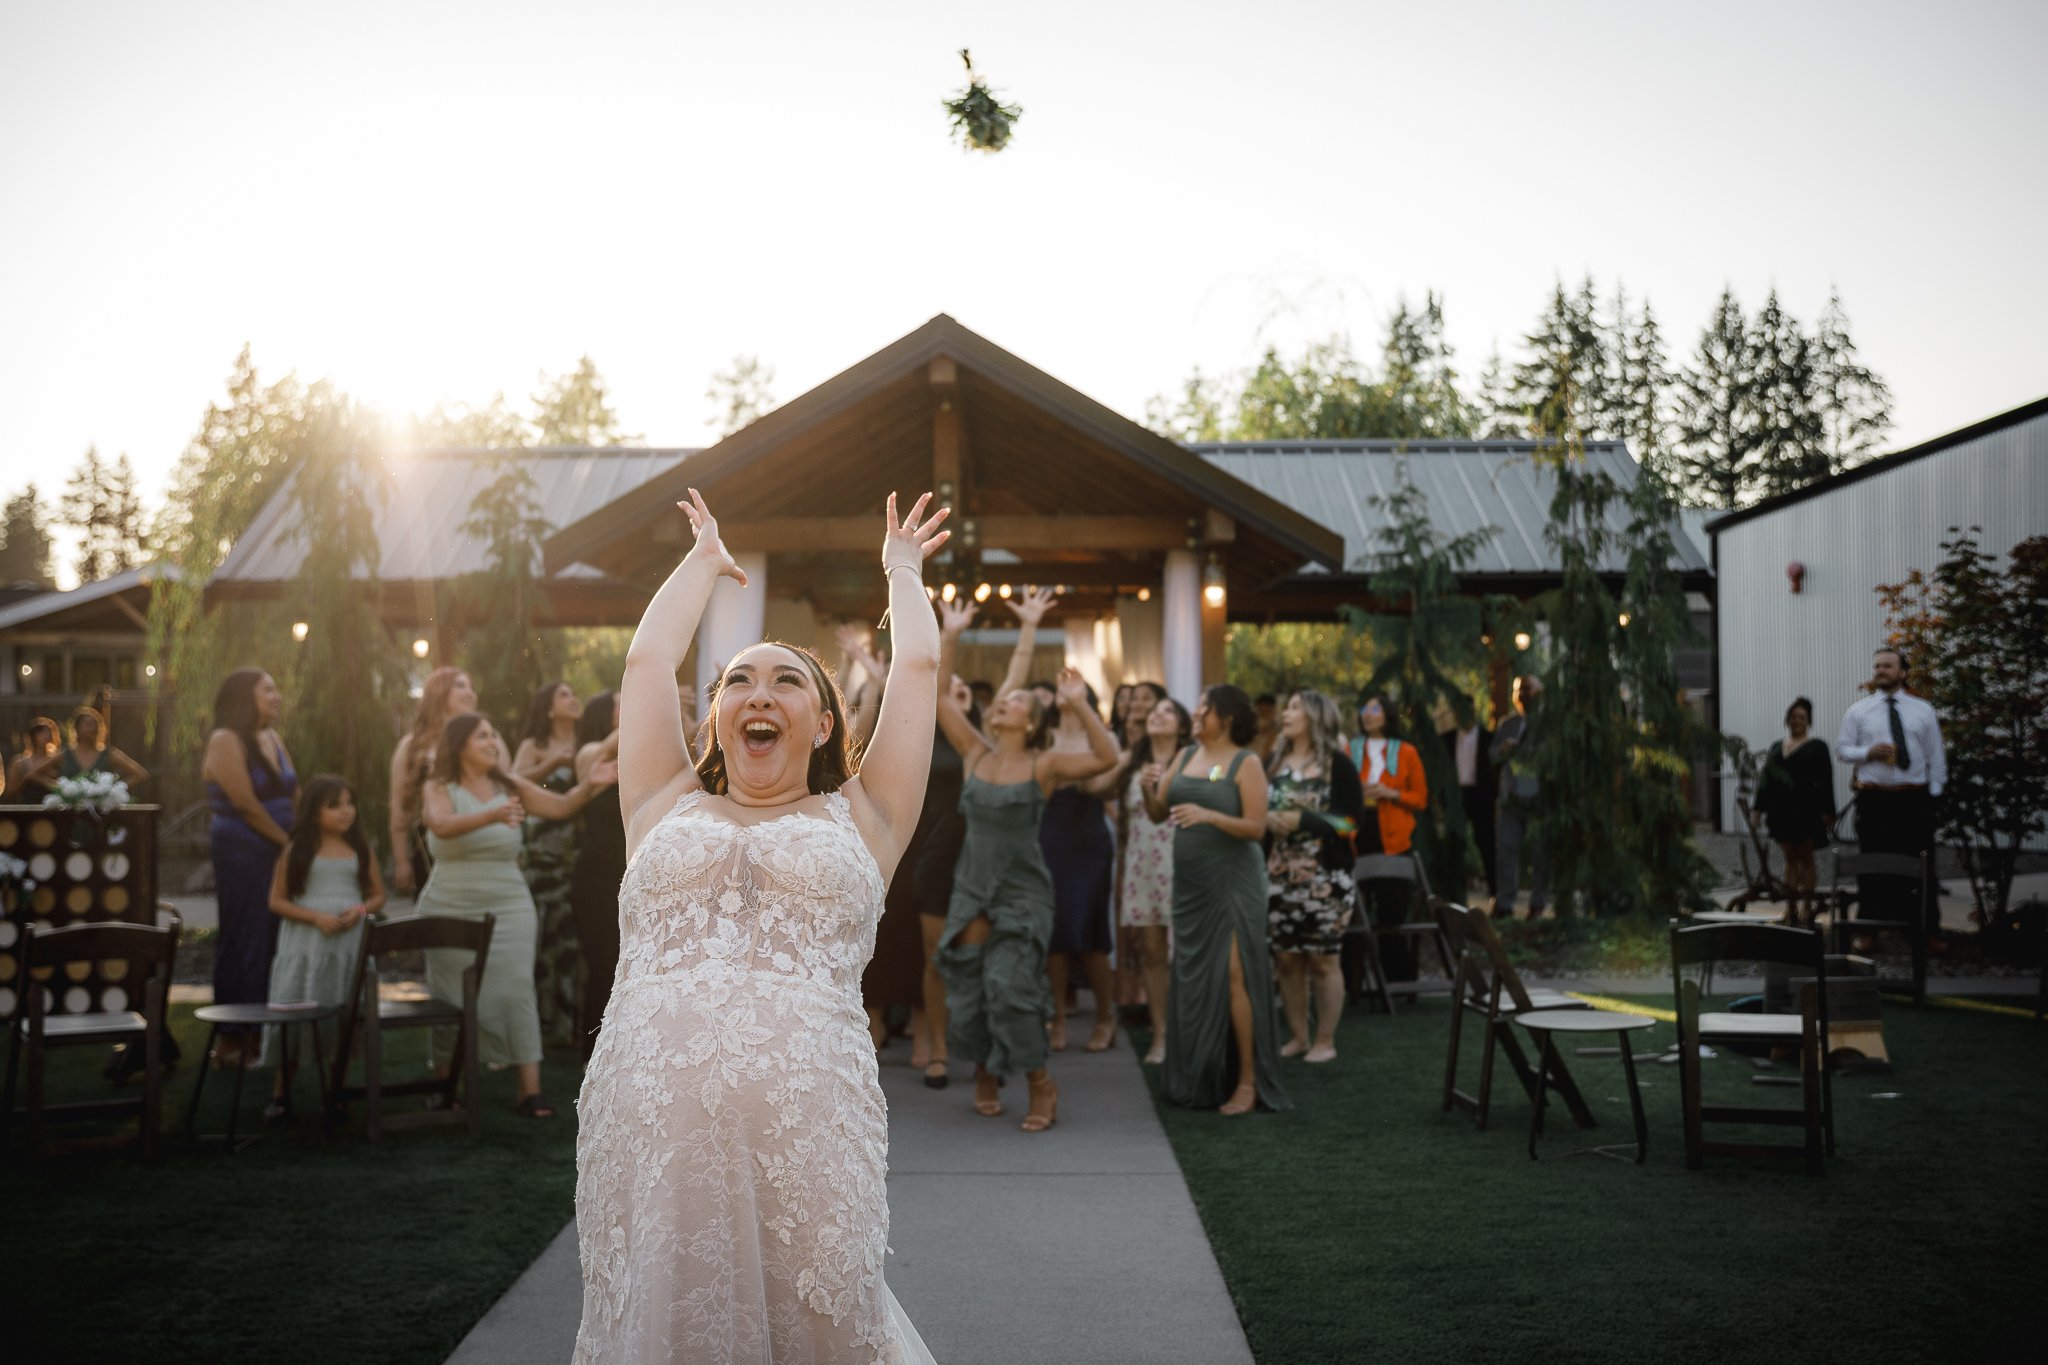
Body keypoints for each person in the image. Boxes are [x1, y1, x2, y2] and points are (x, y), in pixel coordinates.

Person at [573, 489, 947, 1363]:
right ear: (716, 718)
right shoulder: (661, 800)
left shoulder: (867, 816)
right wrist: (702, 561)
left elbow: (919, 674)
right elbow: (643, 665)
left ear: (821, 723)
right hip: (648, 1115)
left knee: (820, 1315)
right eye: (738, 679)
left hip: (809, 1118)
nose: (758, 692)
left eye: (787, 680)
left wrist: (902, 571)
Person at [933, 595, 1117, 1131]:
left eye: (1016, 700)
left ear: (1032, 720)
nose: (1005, 702)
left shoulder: (1046, 763)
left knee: (1012, 986)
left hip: (1023, 890)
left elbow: (1107, 758)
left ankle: (1041, 1083)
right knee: (968, 986)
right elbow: (939, 694)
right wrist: (952, 634)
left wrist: (1078, 703)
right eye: (1005, 698)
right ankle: (986, 1071)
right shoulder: (976, 753)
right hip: (972, 885)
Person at [418, 710, 615, 1118]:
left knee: (514, 988)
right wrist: (492, 814)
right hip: (448, 903)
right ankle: (444, 1085)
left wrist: (590, 786)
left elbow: (561, 807)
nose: (492, 742)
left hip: (508, 901)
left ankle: (529, 1092)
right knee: (449, 993)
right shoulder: (439, 786)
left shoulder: (509, 785)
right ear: (459, 746)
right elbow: (440, 824)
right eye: (481, 737)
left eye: (493, 735)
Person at [903, 589, 1046, 1088]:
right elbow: (937, 693)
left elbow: (1015, 682)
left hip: (983, 865)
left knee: (988, 965)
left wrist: (1027, 628)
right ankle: (940, 1048)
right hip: (940, 856)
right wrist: (951, 635)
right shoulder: (941, 736)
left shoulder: (984, 748)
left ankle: (991, 1056)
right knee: (937, 960)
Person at [1145, 684, 1291, 1116]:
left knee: (1232, 977)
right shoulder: (1186, 756)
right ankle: (1199, 1075)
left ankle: (1247, 1081)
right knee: (1193, 976)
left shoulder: (1246, 763)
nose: (1195, 713)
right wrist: (1145, 786)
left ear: (1224, 716)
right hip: (1190, 887)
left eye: (1203, 708)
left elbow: (1256, 827)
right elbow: (1159, 813)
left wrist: (1209, 815)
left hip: (1232, 882)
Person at [261, 774, 384, 1121]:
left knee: (342, 1010)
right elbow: (277, 901)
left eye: (349, 803)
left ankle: (337, 1089)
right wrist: (315, 917)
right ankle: (281, 1092)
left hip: (347, 946)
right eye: (334, 805)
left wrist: (360, 909)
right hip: (306, 945)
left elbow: (377, 895)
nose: (346, 812)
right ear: (314, 812)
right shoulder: (296, 850)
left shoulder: (361, 850)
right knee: (297, 1008)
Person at [201, 670, 298, 1068]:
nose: (277, 696)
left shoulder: (273, 739)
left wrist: (308, 836)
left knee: (273, 935)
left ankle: (262, 1034)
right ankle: (232, 1040)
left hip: (280, 849)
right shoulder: (225, 740)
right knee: (244, 934)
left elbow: (296, 790)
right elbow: (245, 804)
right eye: (269, 689)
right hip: (244, 850)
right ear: (245, 697)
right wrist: (288, 844)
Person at [839, 623, 927, 1053]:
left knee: (904, 931)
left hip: (896, 830)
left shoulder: (908, 725)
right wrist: (857, 666)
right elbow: (848, 724)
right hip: (851, 833)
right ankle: (872, 1020)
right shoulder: (837, 737)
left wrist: (874, 675)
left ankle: (915, 1021)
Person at [1267, 690, 1365, 1063]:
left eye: (1294, 707)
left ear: (1315, 717)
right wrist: (1264, 819)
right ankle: (1298, 1036)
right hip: (1278, 875)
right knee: (1287, 959)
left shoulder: (1337, 764)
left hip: (1326, 878)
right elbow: (1252, 801)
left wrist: (1302, 820)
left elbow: (1352, 820)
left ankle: (1325, 1039)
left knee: (1324, 959)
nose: (1286, 713)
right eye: (1286, 705)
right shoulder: (1273, 762)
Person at [1837, 647, 1947, 944]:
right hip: (1874, 801)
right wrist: (1867, 752)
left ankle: (1927, 932)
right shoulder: (1858, 711)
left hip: (1913, 800)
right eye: (1877, 667)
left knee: (1921, 866)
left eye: (1887, 666)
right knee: (1871, 866)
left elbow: (1936, 757)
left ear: (1903, 672)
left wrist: (1934, 798)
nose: (1880, 671)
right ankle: (1868, 931)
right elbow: (1842, 749)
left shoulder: (1922, 710)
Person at [1040, 674, 1121, 1054]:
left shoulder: (1101, 738)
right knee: (1054, 934)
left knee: (1091, 934)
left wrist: (1080, 707)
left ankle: (1106, 1016)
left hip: (1088, 842)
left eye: (1075, 688)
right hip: (1049, 839)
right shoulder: (1043, 740)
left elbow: (1100, 782)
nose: (1065, 692)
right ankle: (1056, 1017)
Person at [388, 666, 507, 899]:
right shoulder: (411, 747)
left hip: (486, 841)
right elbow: (399, 807)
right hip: (433, 849)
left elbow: (508, 787)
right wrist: (401, 861)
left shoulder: (492, 739)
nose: (470, 693)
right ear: (438, 692)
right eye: (461, 685)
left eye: (472, 688)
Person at [514, 680, 586, 1050]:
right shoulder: (534, 746)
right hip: (541, 853)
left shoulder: (589, 741)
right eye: (564, 695)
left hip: (576, 851)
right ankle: (539, 1022)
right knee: (542, 936)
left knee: (570, 938)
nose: (573, 699)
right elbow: (512, 781)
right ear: (548, 707)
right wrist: (553, 763)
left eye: (574, 694)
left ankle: (569, 1021)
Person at [1116, 694, 1186, 1065]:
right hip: (1142, 866)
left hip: (1183, 865)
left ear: (1183, 724)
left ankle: (1187, 1031)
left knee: (1185, 955)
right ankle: (1160, 1035)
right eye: (1154, 711)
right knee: (1153, 954)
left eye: (1167, 711)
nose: (1158, 715)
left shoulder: (1192, 761)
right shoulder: (1134, 762)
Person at [1345, 692, 1430, 987]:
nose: (1367, 714)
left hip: (1394, 838)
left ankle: (1395, 980)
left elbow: (1420, 798)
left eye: (1375, 708)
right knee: (1352, 909)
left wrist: (1390, 793)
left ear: (1388, 715)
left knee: (1392, 909)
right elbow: (1339, 789)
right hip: (1358, 835)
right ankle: (1351, 980)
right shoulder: (1349, 749)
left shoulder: (1406, 751)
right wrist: (1360, 791)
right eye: (1365, 708)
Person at [567, 690, 623, 1060]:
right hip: (596, 878)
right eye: (623, 701)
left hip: (628, 873)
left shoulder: (640, 750)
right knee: (603, 965)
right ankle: (594, 1055)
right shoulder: (591, 752)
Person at [1754, 696, 1836, 920]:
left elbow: (1826, 781)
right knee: (1790, 859)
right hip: (1780, 813)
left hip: (1807, 812)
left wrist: (1829, 811)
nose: (1796, 721)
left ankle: (1807, 906)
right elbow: (1765, 781)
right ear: (1787, 719)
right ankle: (1790, 906)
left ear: (1808, 721)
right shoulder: (1775, 747)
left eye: (1801, 717)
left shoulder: (1818, 747)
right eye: (1793, 717)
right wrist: (1757, 810)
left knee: (1806, 859)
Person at [1490, 675, 1546, 918]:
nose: (1523, 694)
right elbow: (1491, 756)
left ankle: (1538, 903)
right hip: (1510, 798)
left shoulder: (1548, 725)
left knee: (1540, 853)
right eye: (1519, 690)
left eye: (1529, 690)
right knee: (1505, 850)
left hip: (1538, 799)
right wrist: (1503, 749)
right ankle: (1504, 903)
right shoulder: (1507, 724)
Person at [1440, 703, 1495, 896]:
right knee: (1454, 844)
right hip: (1456, 798)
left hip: (1481, 797)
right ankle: (1453, 892)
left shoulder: (1489, 739)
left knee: (1486, 843)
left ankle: (1495, 891)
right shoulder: (1446, 739)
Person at [58, 705, 151, 788]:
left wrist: (114, 790)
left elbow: (141, 774)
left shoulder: (108, 753)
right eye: (85, 724)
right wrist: (60, 789)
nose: (89, 728)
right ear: (76, 728)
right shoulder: (65, 754)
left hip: (101, 806)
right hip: (70, 806)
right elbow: (42, 770)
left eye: (93, 724)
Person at [6, 717, 62, 805]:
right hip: (27, 806)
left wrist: (40, 779)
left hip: (50, 807)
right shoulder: (19, 762)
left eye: (48, 731)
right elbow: (11, 791)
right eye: (41, 732)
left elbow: (62, 786)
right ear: (32, 736)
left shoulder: (56, 760)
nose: (46, 735)